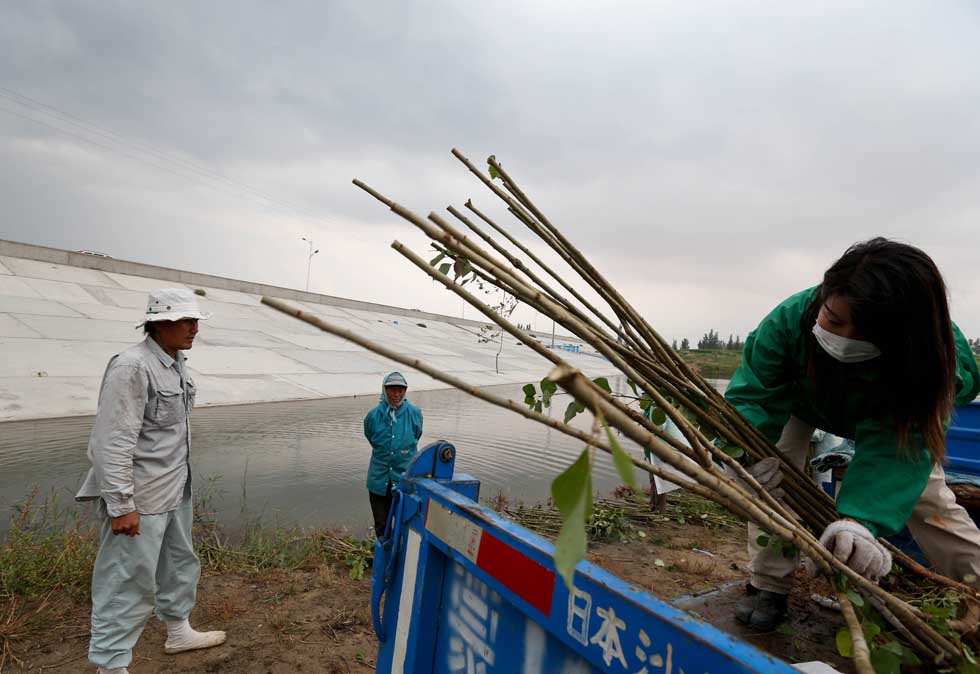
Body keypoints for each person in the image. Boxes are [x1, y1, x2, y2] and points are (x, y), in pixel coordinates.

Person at [726, 238, 980, 629]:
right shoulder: (790, 321)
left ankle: (976, 587)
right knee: (772, 480)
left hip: (889, 411)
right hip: (799, 402)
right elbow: (753, 395)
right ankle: (769, 585)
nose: (842, 336)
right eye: (833, 319)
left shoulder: (928, 360)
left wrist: (860, 522)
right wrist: (737, 453)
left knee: (927, 500)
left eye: (864, 332)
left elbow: (897, 455)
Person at [75, 288, 226, 674]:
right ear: (160, 324)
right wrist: (122, 506)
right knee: (125, 580)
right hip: (140, 498)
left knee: (179, 564)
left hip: (174, 488)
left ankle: (178, 630)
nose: (194, 329)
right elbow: (111, 442)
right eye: (186, 321)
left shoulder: (175, 362)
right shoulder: (132, 367)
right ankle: (110, 665)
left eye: (195, 321)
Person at [363, 371, 424, 538]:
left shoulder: (414, 413)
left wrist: (402, 451)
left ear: (405, 391)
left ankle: (400, 558)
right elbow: (371, 437)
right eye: (392, 390)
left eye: (400, 390)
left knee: (404, 521)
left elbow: (416, 434)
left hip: (404, 478)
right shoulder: (373, 416)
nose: (396, 394)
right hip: (379, 479)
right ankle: (384, 553)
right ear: (385, 390)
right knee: (381, 523)